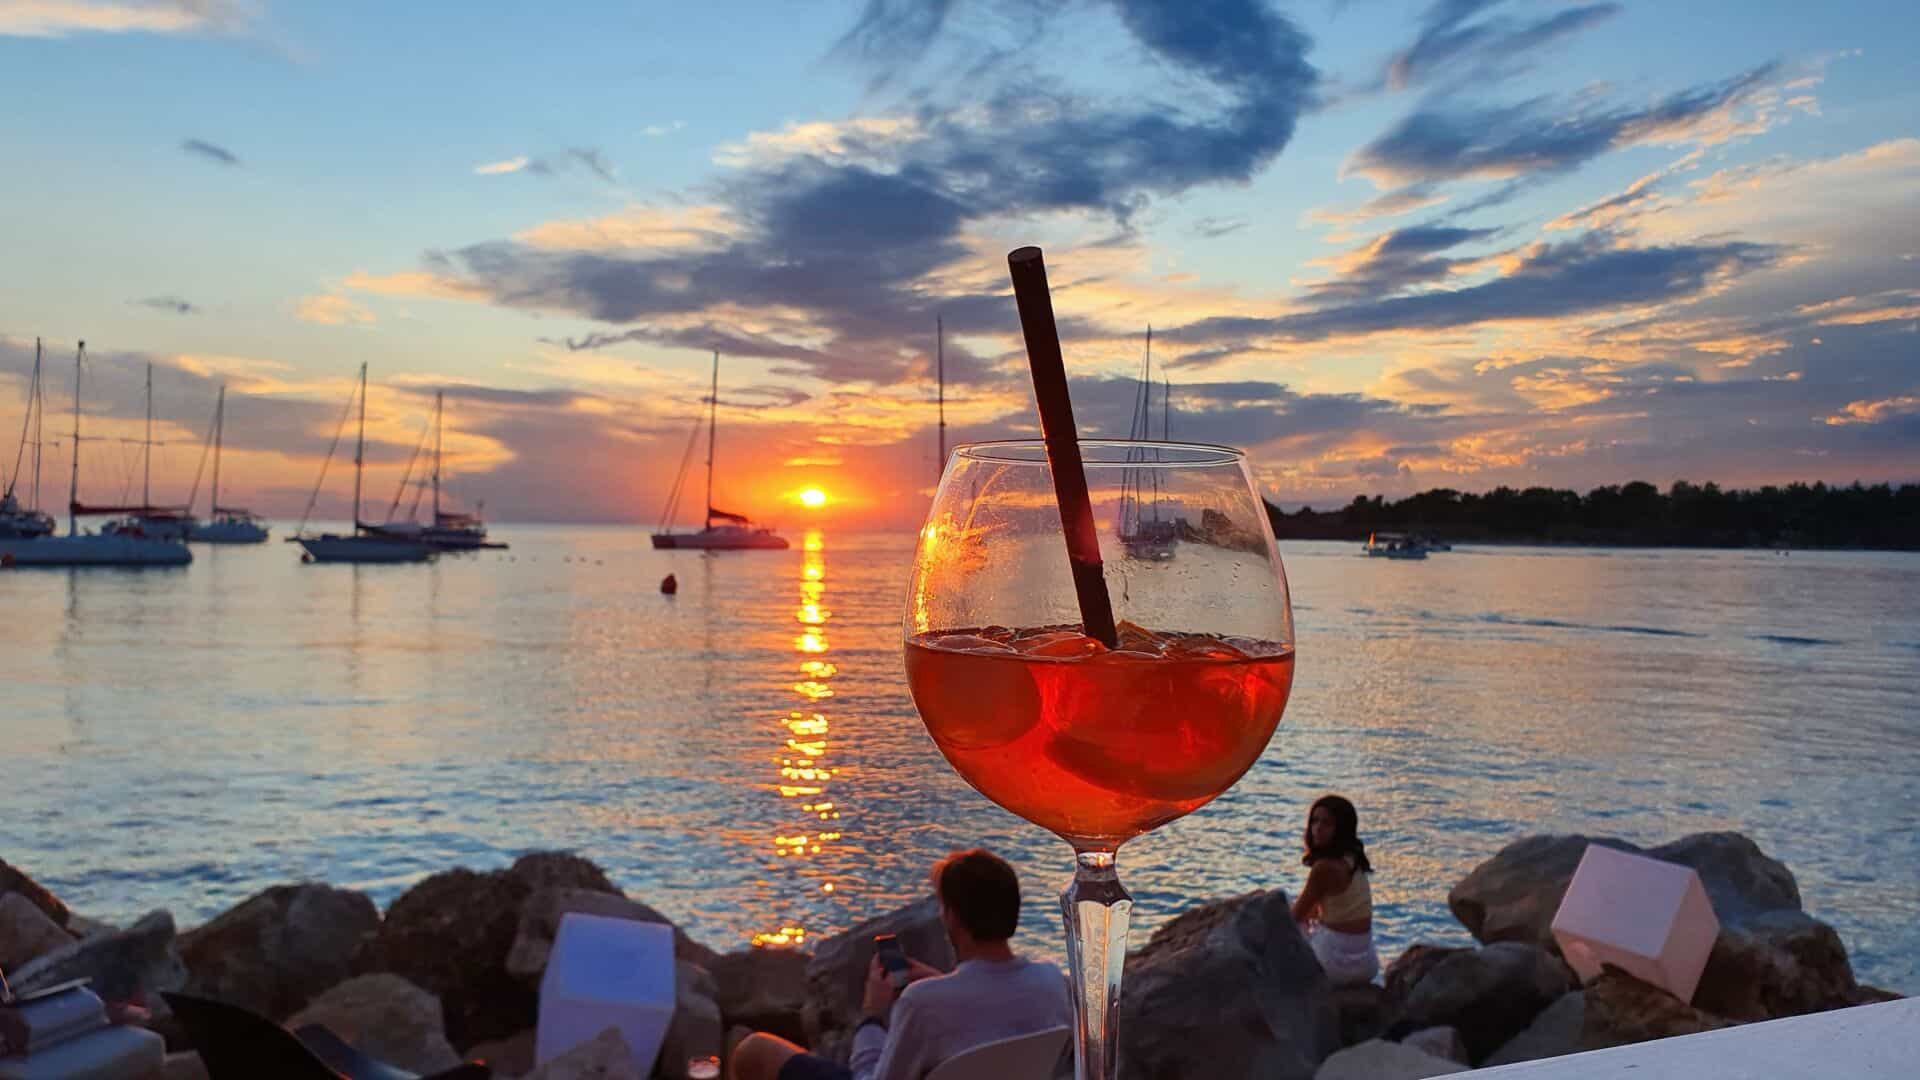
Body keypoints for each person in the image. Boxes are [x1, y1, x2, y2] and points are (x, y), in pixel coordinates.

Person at [730, 849, 1071, 1080]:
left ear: (951, 917)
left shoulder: (922, 1003)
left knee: (754, 1050)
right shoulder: (1053, 983)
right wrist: (943, 980)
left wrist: (870, 1017)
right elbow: (993, 1021)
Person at [1291, 794, 1380, 986]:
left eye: (1327, 823)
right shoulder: (1353, 858)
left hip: (1334, 963)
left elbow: (1295, 917)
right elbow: (1327, 909)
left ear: (1341, 829)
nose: (1318, 828)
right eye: (1315, 821)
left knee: (1281, 919)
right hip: (1367, 963)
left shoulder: (1324, 868)